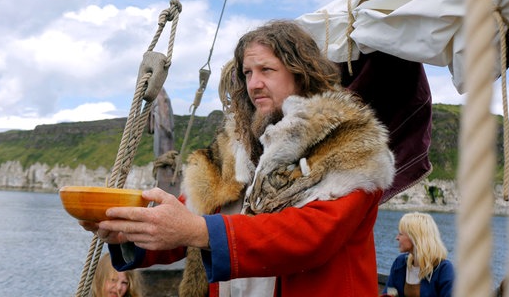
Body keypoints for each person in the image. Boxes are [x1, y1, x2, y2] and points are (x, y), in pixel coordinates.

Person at [81, 19, 395, 296]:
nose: (254, 83)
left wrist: (198, 231)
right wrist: (131, 233)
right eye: (248, 72)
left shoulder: (349, 141)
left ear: (301, 73)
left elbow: (312, 235)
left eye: (267, 70)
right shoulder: (235, 151)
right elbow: (186, 220)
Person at [383, 212, 455, 297]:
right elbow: (388, 293)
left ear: (414, 237)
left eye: (401, 234)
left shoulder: (444, 269)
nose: (397, 238)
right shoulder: (399, 263)